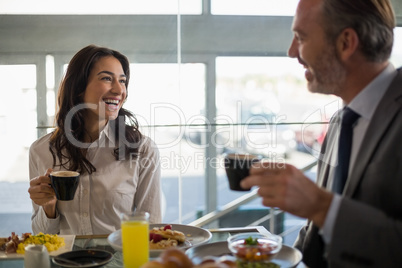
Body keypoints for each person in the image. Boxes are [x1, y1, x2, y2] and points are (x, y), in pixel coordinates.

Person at [240, 0, 402, 267]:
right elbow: (317, 238)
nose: (292, 52)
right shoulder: (342, 122)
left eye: (301, 38)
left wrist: (321, 206)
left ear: (346, 43)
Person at [28, 45, 162, 235]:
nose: (119, 90)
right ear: (78, 88)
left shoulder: (143, 149)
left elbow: (151, 230)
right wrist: (49, 207)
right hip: (66, 263)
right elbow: (42, 235)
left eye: (122, 81)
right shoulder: (41, 151)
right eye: (107, 78)